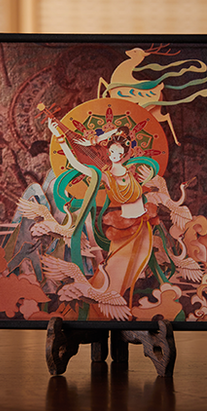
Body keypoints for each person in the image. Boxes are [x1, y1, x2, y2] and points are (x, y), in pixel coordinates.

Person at [47, 119, 159, 311]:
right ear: (108, 152)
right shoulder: (106, 175)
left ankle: (124, 308)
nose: (115, 156)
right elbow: (76, 164)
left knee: (135, 270)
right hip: (125, 230)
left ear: (125, 154)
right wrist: (60, 137)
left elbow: (149, 184)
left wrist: (149, 179)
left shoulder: (132, 171)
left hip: (143, 226)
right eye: (112, 152)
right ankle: (104, 308)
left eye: (119, 153)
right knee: (116, 271)